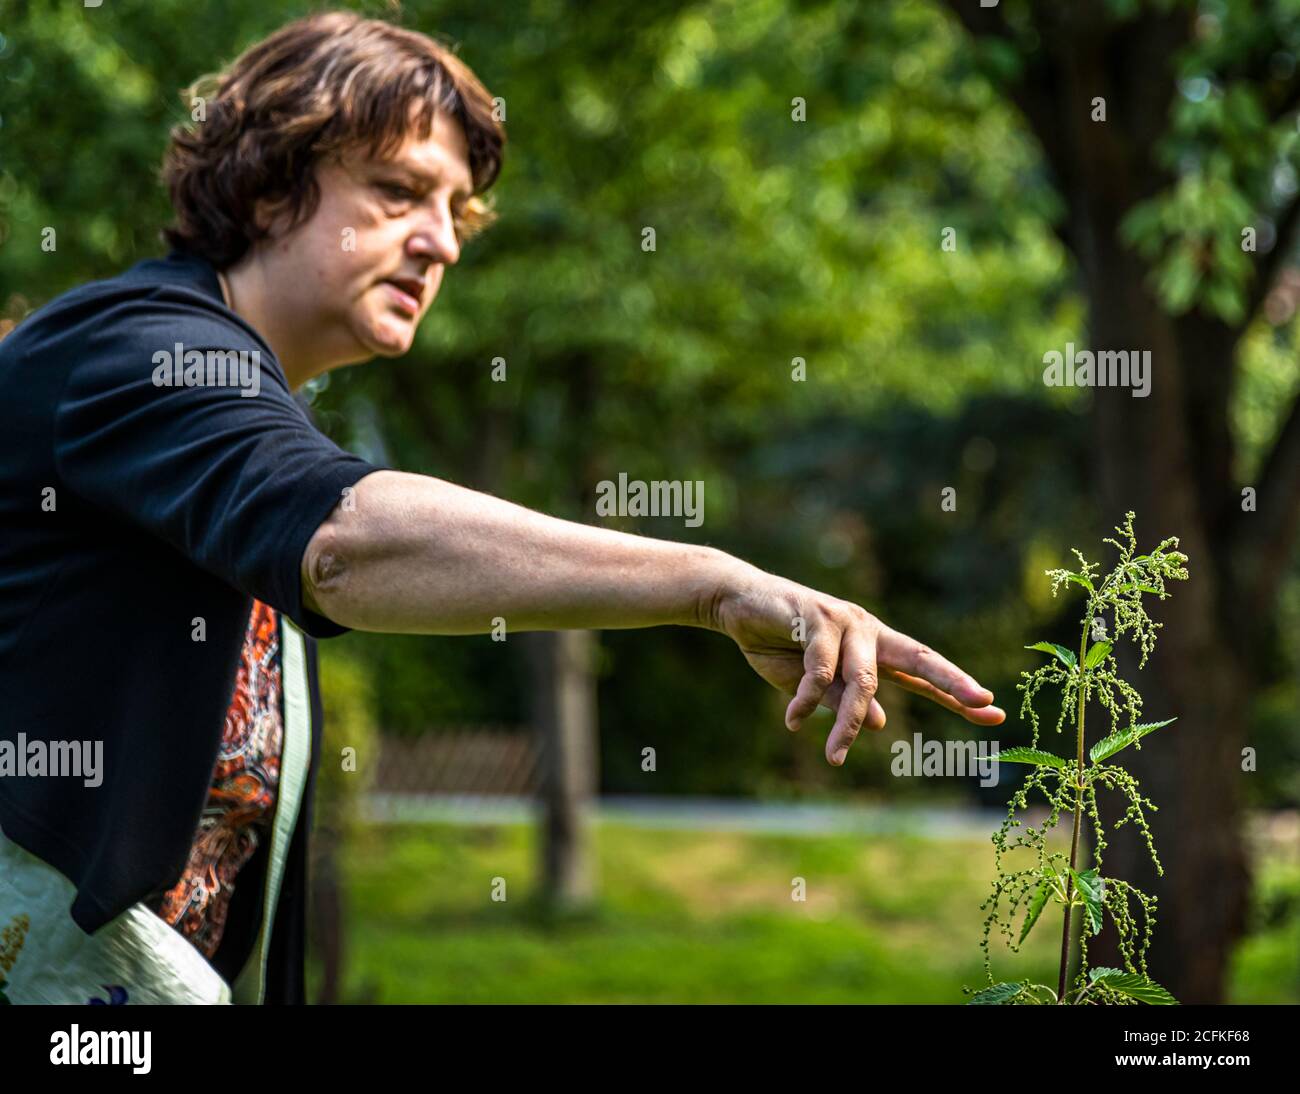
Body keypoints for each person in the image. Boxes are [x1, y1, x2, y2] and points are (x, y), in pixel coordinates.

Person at [0, 10, 1004, 1005]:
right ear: (266, 187)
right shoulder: (141, 350)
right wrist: (711, 582)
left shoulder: (250, 402)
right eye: (397, 192)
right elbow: (344, 540)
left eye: (458, 211)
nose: (440, 242)